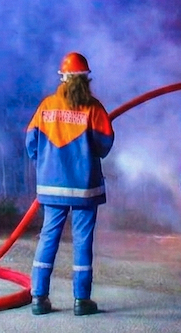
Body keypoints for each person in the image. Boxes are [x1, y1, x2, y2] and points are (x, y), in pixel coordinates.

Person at [26, 51, 115, 316]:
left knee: (48, 238)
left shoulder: (46, 106)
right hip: (84, 187)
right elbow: (104, 145)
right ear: (86, 79)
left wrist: (44, 166)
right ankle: (81, 300)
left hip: (52, 186)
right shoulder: (94, 108)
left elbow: (32, 142)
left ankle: (39, 298)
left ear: (63, 78)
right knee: (82, 241)